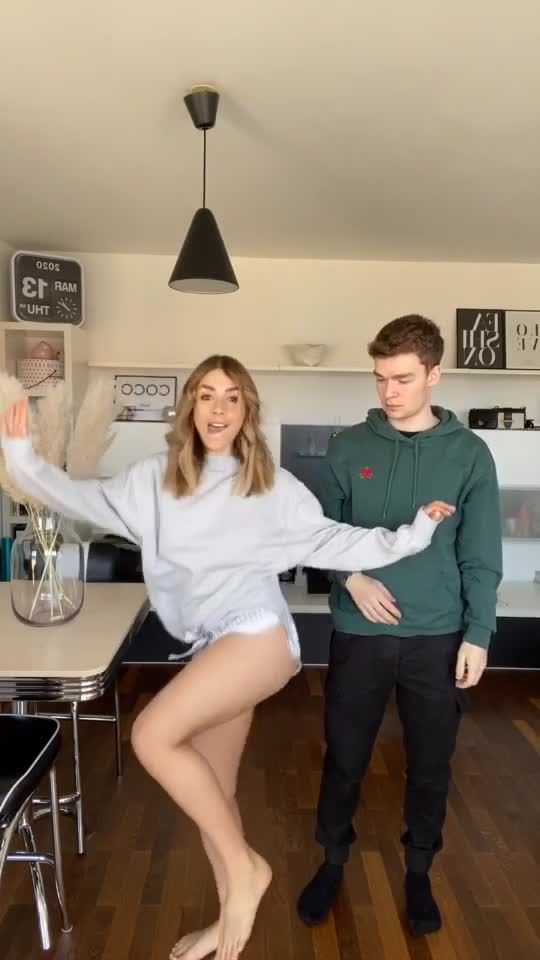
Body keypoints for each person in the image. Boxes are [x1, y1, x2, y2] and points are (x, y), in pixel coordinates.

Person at [0, 355, 454, 960]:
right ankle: (227, 924)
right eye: (208, 395)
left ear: (247, 411)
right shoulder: (152, 481)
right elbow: (79, 497)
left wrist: (412, 535)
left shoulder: (269, 486)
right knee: (215, 793)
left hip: (259, 634)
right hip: (216, 644)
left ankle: (246, 872)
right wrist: (22, 460)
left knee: (151, 735)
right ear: (190, 405)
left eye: (233, 397)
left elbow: (334, 541)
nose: (219, 408)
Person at [297, 315, 502, 937]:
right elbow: (319, 534)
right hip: (359, 634)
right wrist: (352, 579)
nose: (389, 391)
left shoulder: (469, 454)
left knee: (431, 764)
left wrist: (479, 633)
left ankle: (418, 871)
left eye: (404, 378)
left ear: (435, 375)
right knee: (345, 758)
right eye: (381, 377)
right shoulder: (347, 447)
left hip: (437, 636)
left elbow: (480, 553)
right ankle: (332, 860)